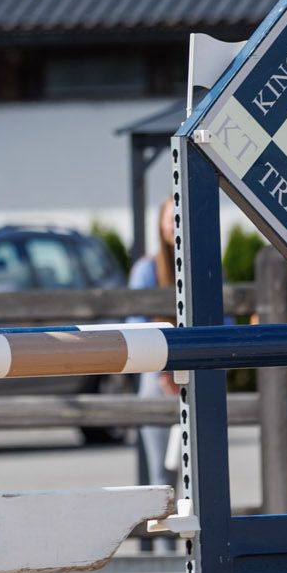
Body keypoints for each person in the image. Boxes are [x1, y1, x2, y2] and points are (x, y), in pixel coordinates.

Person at [126, 199, 179, 492]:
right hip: (158, 381)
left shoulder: (207, 266)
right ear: (161, 225)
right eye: (171, 219)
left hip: (196, 380)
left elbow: (223, 322)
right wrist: (163, 373)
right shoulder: (146, 270)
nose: (175, 225)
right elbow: (136, 328)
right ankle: (162, 540)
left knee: (201, 479)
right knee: (163, 480)